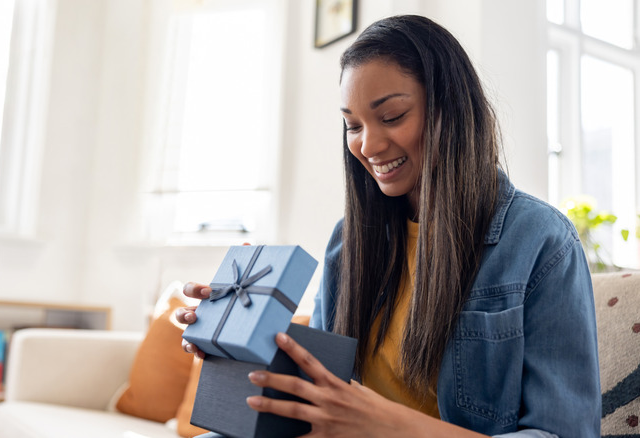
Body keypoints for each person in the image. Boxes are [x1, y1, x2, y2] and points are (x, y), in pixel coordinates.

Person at [176, 14, 600, 437]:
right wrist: (238, 341)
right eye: (353, 125)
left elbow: (565, 432)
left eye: (392, 116)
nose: (368, 145)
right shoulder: (348, 242)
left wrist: (390, 426)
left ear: (449, 110)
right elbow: (317, 400)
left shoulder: (541, 242)